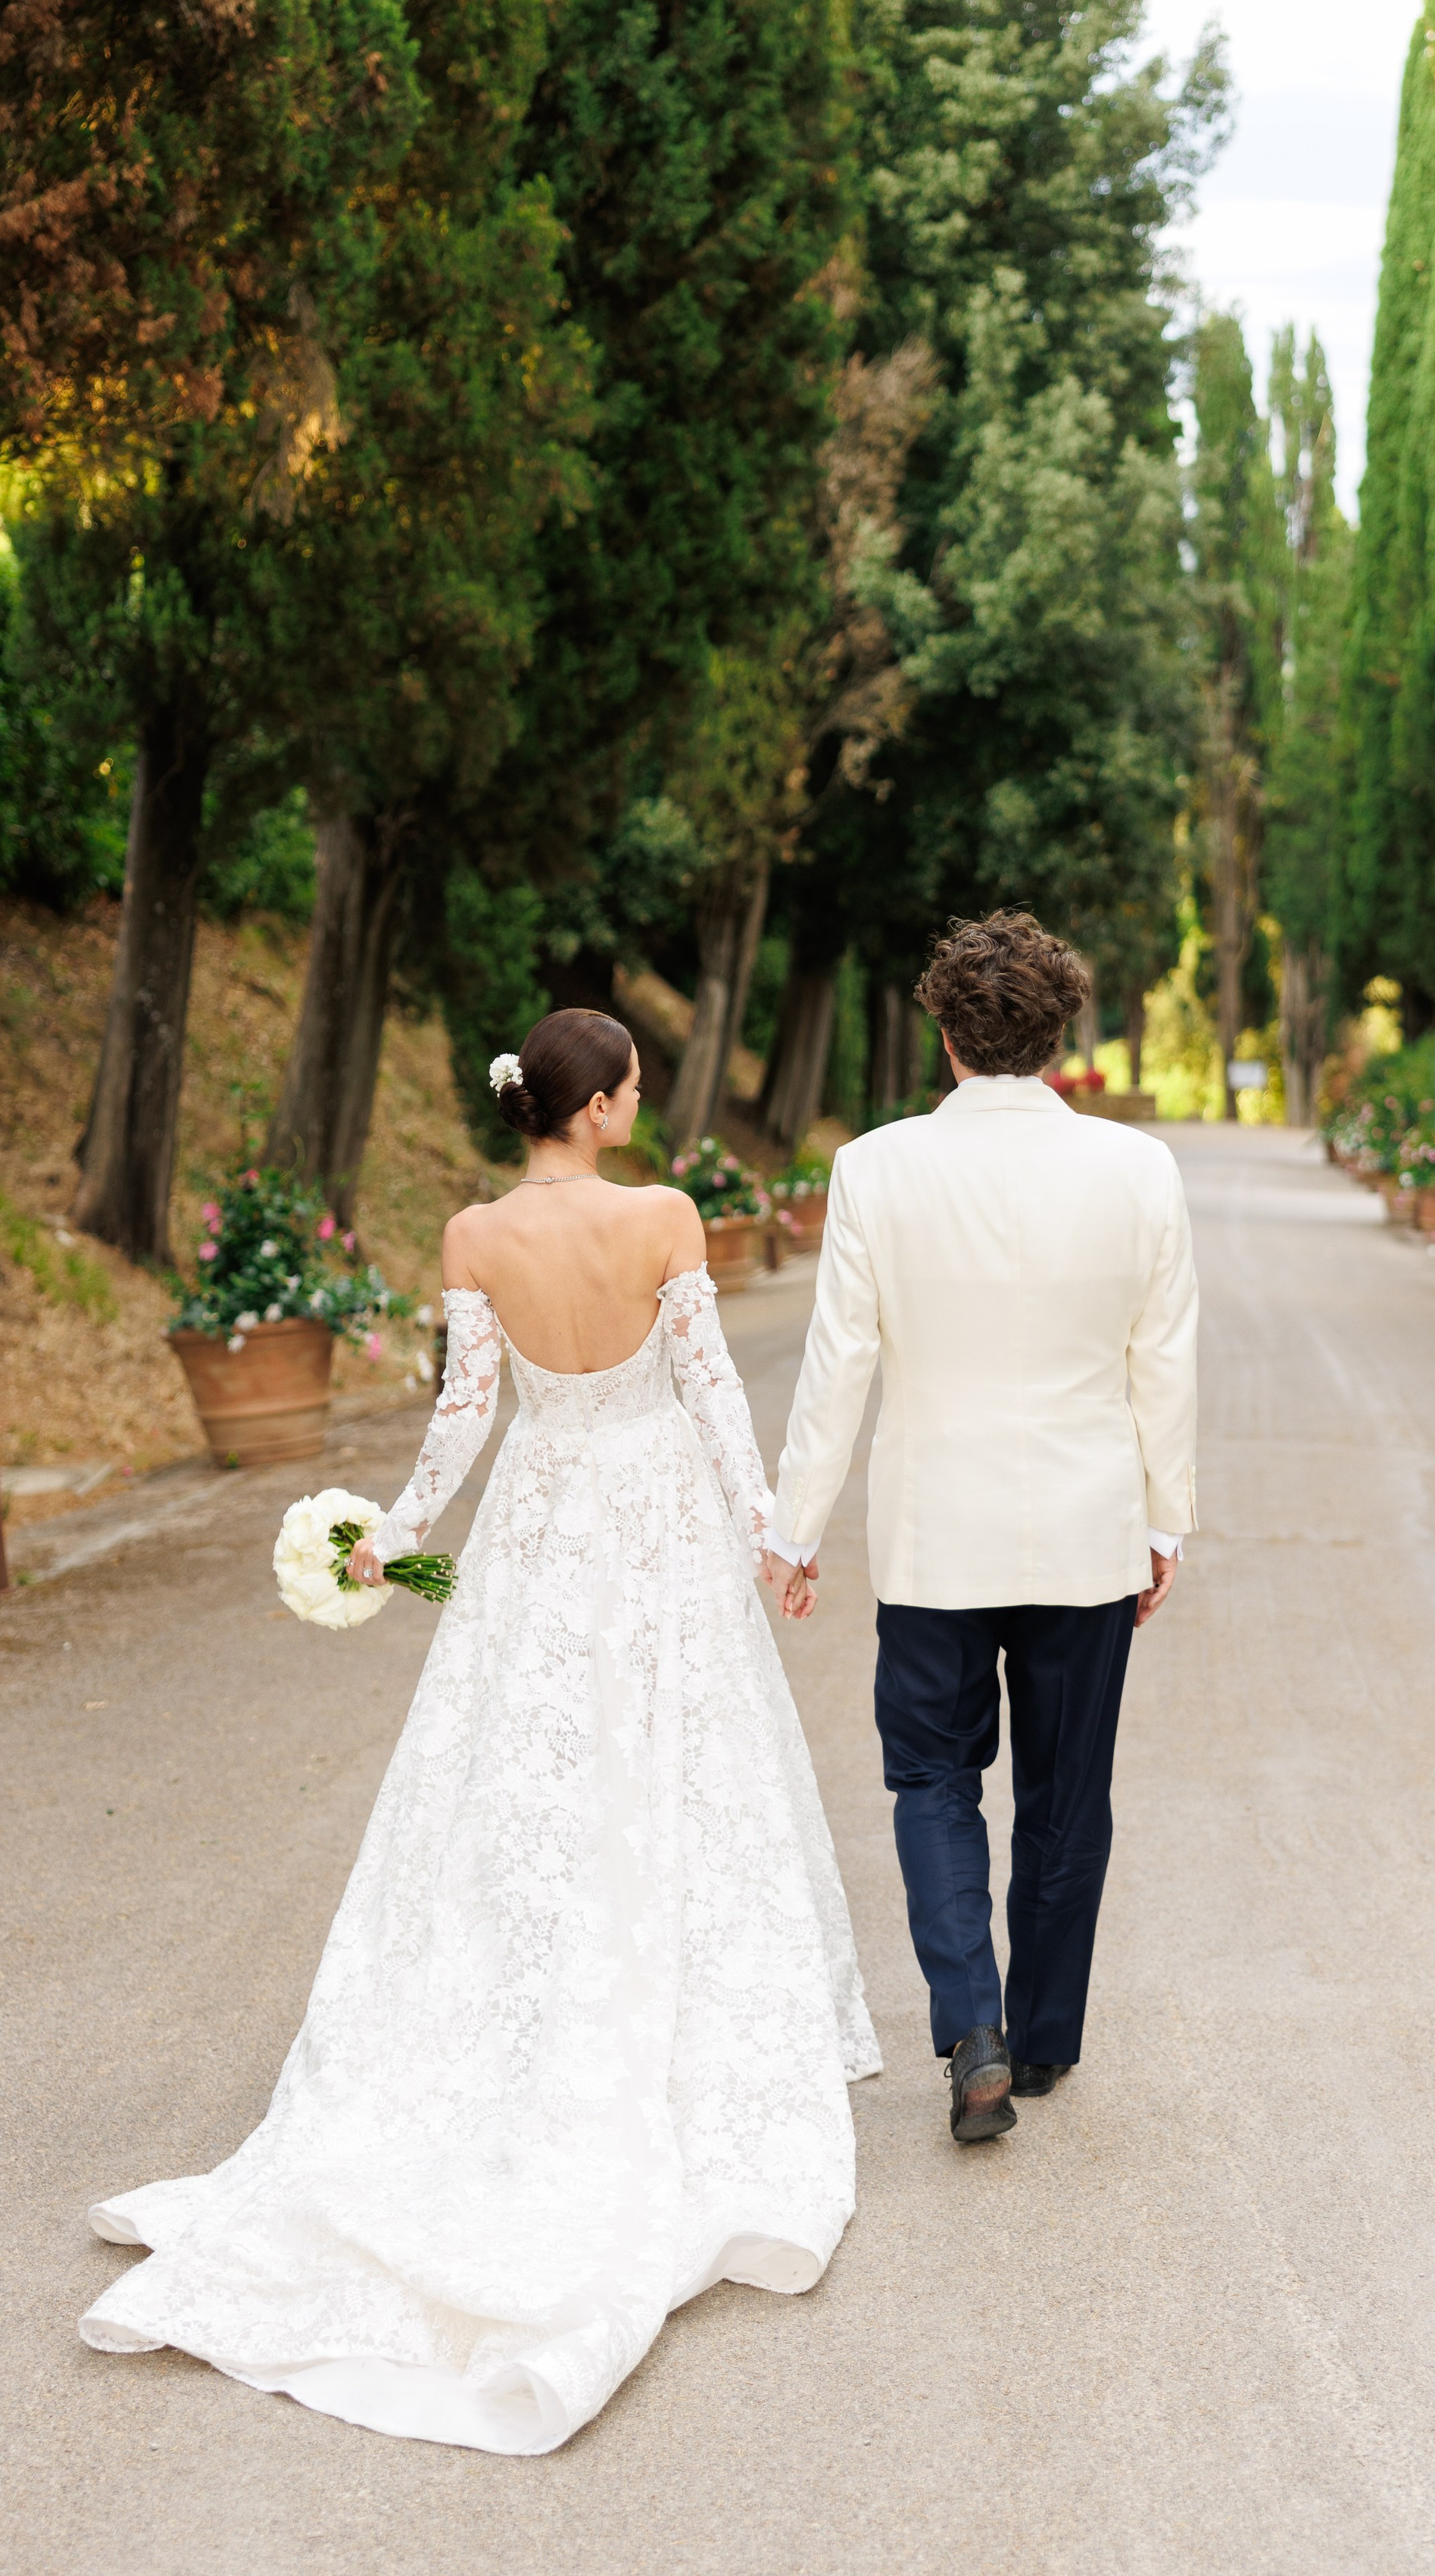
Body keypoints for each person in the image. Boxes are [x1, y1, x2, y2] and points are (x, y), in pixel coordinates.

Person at [80, 1009, 879, 2455]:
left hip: (534, 1526)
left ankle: (524, 1994)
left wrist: (392, 1541)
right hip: (654, 1537)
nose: (641, 1103)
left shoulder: (469, 1235)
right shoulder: (665, 1217)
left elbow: (465, 1415)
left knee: (522, 1784)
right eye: (634, 1085)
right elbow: (710, 1399)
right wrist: (773, 1535)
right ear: (599, 1104)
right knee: (677, 1770)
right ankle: (659, 2015)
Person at [765, 912, 1197, 2144]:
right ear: (1056, 1037)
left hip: (934, 1544)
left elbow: (838, 1366)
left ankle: (975, 2029)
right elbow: (1161, 1362)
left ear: (945, 1036)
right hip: (1085, 1533)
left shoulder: (876, 1167)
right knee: (1068, 1795)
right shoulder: (1137, 1171)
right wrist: (1168, 1520)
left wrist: (795, 1530)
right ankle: (1047, 2041)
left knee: (934, 1780)